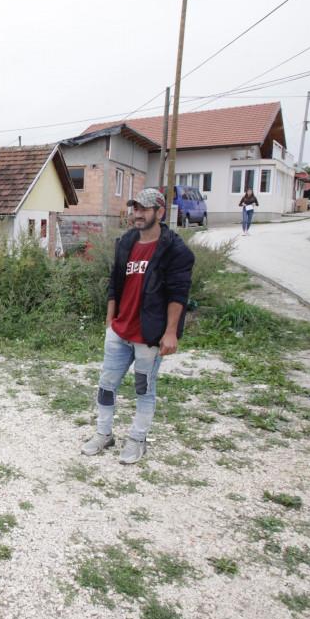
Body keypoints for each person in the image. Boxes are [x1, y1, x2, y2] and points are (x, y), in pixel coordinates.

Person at [81, 188, 195, 464]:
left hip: (150, 335)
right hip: (120, 331)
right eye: (135, 209)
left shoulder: (175, 250)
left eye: (144, 209)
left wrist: (170, 333)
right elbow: (115, 283)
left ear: (159, 212)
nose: (138, 214)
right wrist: (110, 320)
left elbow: (178, 295)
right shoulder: (126, 242)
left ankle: (137, 439)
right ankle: (103, 434)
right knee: (106, 384)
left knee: (144, 389)